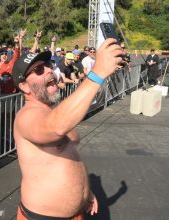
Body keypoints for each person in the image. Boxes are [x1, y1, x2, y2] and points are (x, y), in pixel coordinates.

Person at [12, 38, 124, 219]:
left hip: (76, 213)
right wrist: (97, 73)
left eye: (48, 64)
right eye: (39, 70)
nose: (49, 69)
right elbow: (55, 128)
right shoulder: (26, 116)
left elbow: (68, 156)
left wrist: (85, 190)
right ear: (24, 86)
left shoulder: (52, 110)